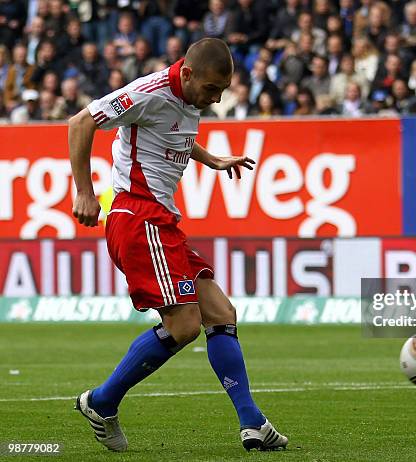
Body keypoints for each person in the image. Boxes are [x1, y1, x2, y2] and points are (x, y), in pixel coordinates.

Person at [69, 38, 288, 452]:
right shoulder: (146, 93)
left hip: (161, 223)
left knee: (221, 313)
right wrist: (84, 191)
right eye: (210, 89)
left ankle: (252, 423)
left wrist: (213, 160)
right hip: (137, 217)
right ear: (187, 73)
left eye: (222, 91)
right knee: (184, 324)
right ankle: (103, 401)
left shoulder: (187, 99)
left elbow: (174, 135)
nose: (215, 99)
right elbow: (80, 123)